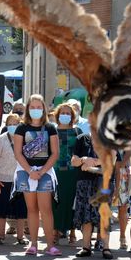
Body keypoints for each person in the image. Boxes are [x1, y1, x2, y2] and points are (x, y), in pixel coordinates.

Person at [13, 94, 60, 256]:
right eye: (32, 107)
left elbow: (55, 153)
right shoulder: (21, 128)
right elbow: (17, 153)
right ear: (27, 109)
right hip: (26, 172)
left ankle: (50, 245)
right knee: (31, 209)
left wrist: (41, 171)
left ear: (44, 109)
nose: (35, 110)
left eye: (39, 107)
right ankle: (33, 244)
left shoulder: (50, 128)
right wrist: (30, 171)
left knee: (46, 209)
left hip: (45, 172)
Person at [0, 113, 27, 245]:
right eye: (10, 124)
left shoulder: (25, 139)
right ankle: (0, 236)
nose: (12, 126)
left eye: (15, 123)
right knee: (1, 210)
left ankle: (20, 237)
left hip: (20, 180)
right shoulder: (1, 139)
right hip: (2, 180)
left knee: (21, 211)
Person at [70, 129, 108, 258]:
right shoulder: (82, 138)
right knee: (85, 215)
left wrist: (91, 163)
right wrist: (83, 159)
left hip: (102, 183)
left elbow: (110, 162)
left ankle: (106, 248)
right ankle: (86, 247)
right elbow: (74, 162)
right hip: (84, 182)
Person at [51, 102, 79, 246]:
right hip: (55, 171)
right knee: (56, 201)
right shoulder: (52, 130)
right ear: (57, 115)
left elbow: (81, 151)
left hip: (72, 172)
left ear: (73, 116)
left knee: (71, 202)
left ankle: (72, 232)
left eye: (68, 113)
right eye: (63, 113)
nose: (65, 115)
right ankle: (55, 231)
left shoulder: (77, 131)